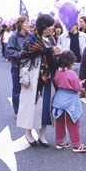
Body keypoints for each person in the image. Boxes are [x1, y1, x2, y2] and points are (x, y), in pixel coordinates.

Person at [17, 14, 60, 147]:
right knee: (31, 106)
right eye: (50, 26)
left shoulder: (51, 40)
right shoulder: (31, 41)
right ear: (43, 27)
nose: (52, 28)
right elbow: (23, 59)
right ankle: (28, 133)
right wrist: (24, 77)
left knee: (46, 106)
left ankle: (42, 135)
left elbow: (52, 58)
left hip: (48, 78)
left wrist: (56, 55)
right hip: (33, 77)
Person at [52, 50, 86, 153]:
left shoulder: (58, 72)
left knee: (59, 121)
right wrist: (81, 83)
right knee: (73, 121)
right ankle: (77, 145)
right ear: (69, 62)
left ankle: (59, 142)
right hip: (70, 99)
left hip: (59, 97)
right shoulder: (72, 73)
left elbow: (56, 82)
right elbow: (77, 87)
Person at [57, 22, 86, 101]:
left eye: (70, 25)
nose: (69, 27)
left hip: (81, 62)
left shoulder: (84, 36)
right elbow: (59, 49)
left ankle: (85, 92)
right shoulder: (62, 37)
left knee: (82, 81)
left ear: (76, 25)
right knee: (70, 84)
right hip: (68, 65)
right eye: (67, 25)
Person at [7, 16, 30, 118]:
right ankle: (17, 111)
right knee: (17, 89)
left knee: (28, 88)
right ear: (20, 24)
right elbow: (9, 50)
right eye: (26, 23)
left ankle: (26, 109)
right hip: (17, 65)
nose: (28, 24)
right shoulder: (14, 37)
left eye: (28, 22)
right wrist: (20, 53)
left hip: (29, 66)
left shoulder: (30, 36)